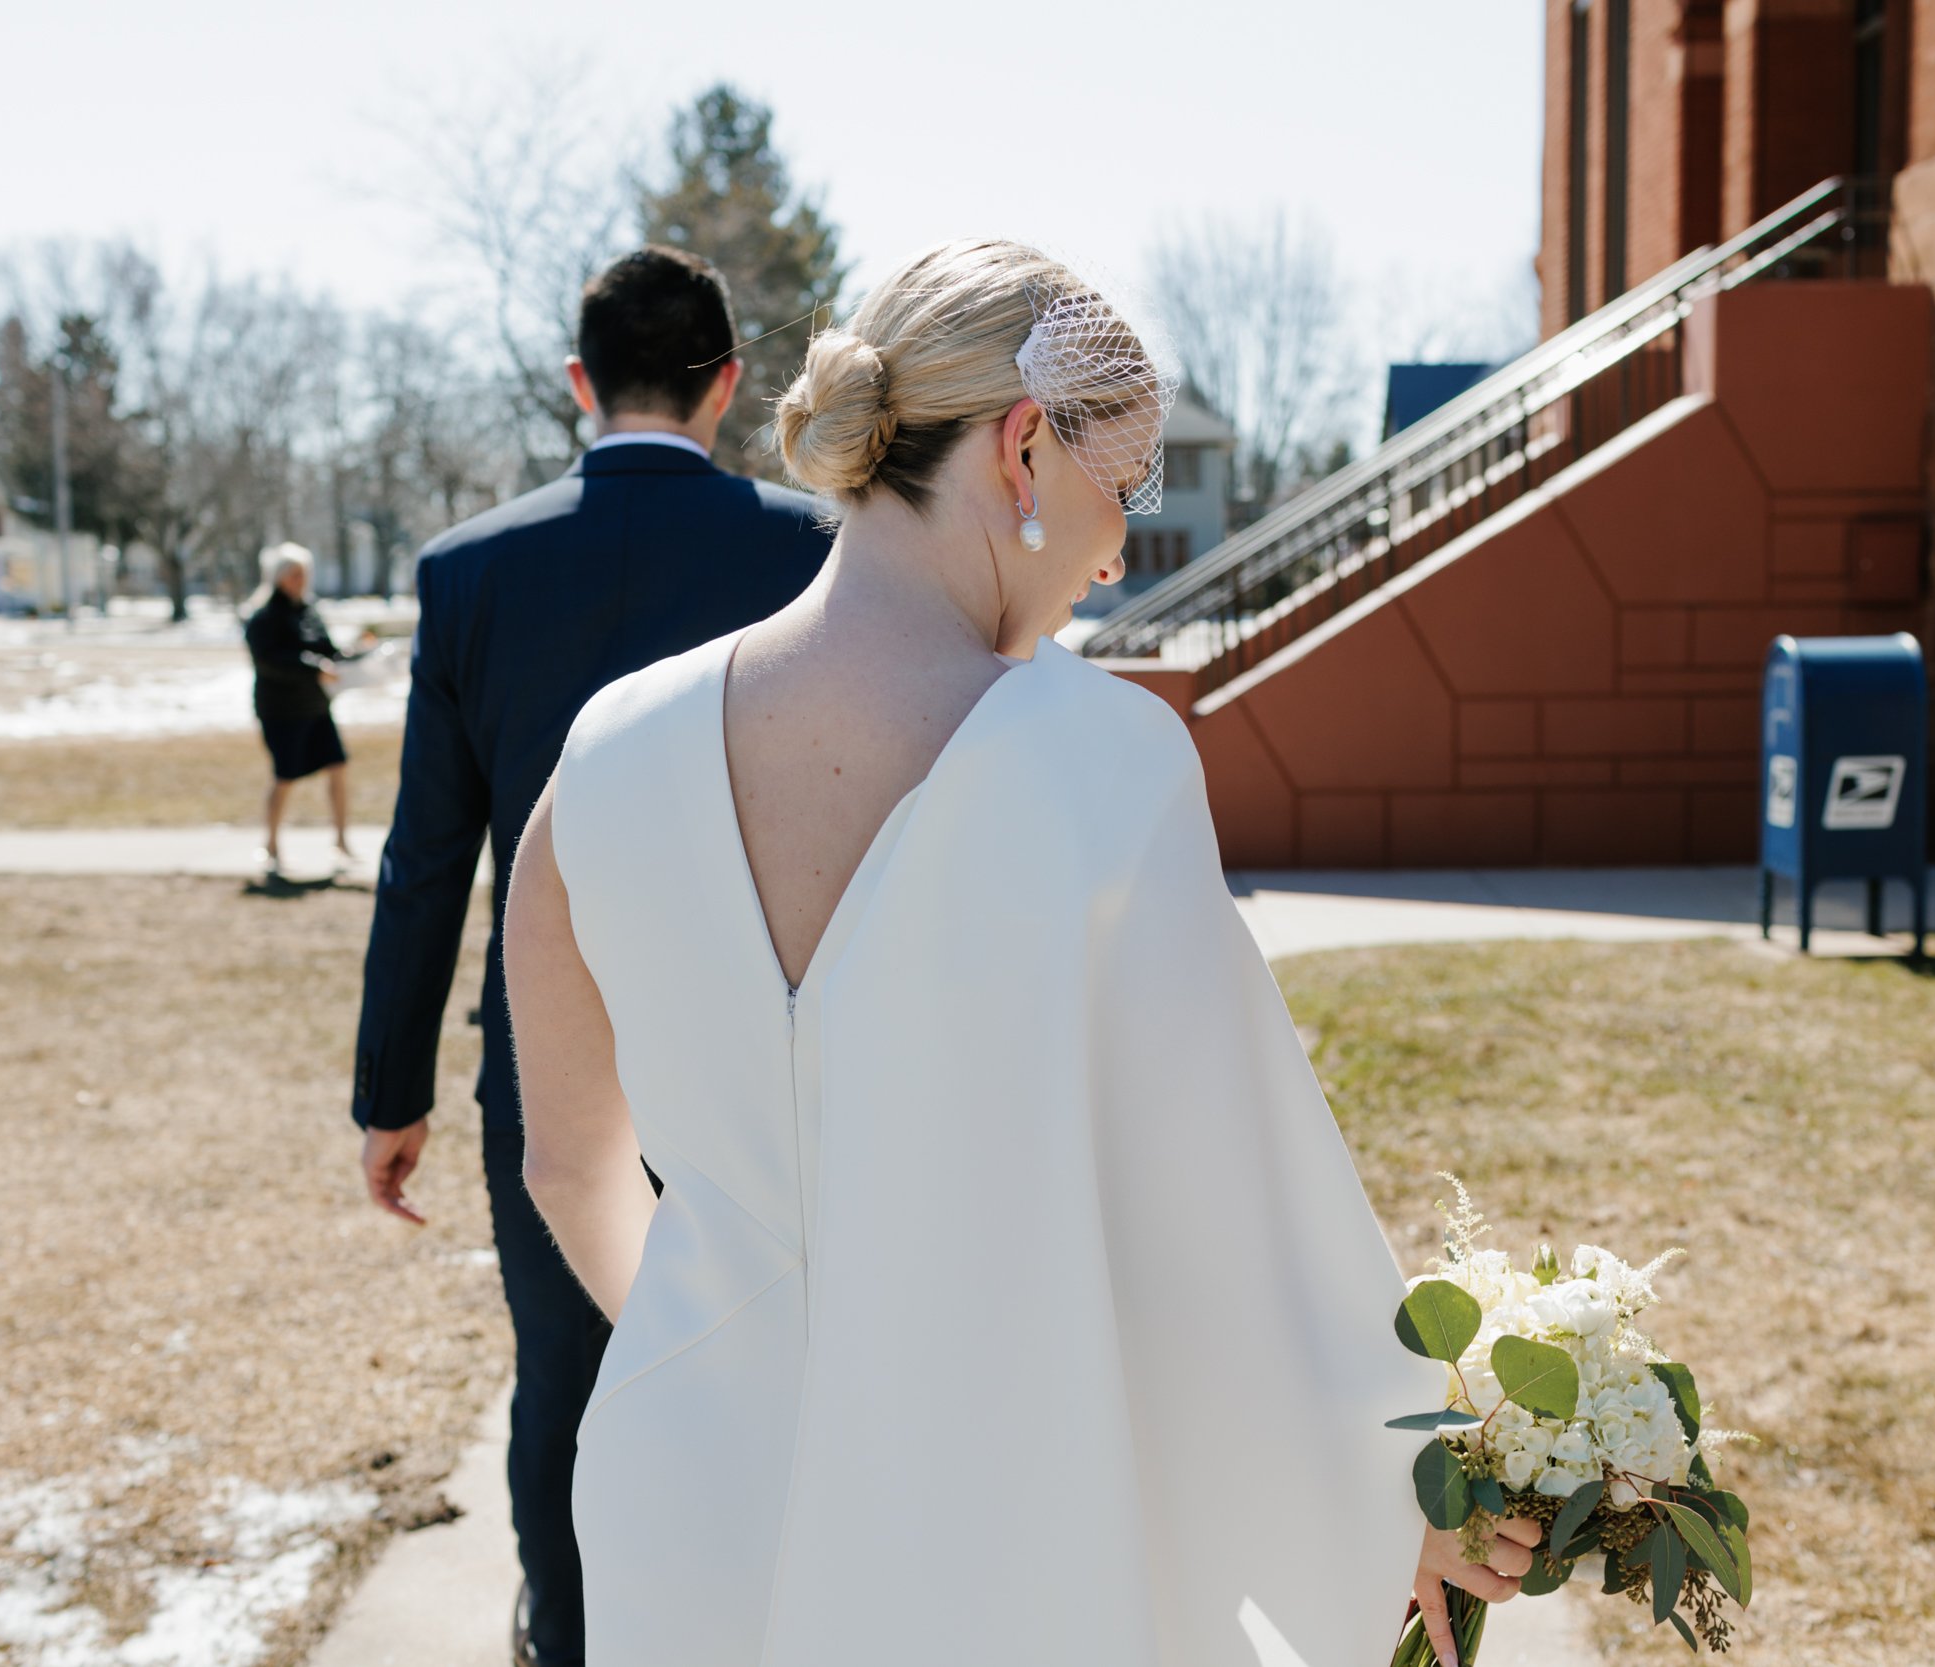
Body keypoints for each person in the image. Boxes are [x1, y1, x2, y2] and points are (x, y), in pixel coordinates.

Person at [503, 239, 1548, 1667]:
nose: (1115, 551)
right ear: (1019, 450)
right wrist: (1391, 1484)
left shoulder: (600, 758)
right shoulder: (1105, 765)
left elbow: (567, 1162)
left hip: (683, 1484)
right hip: (995, 1508)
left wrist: (728, 1334)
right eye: (1118, 491)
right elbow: (1226, 1230)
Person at [348, 247, 830, 1667]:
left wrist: (392, 1092)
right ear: (730, 383)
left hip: (549, 1071)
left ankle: (568, 1635)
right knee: (771, 1371)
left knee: (563, 1379)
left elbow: (427, 855)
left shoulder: (473, 572)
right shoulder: (813, 548)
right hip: (770, 1061)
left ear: (579, 382)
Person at [243, 542, 367, 873]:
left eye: (305, 574)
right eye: (296, 574)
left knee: (338, 766)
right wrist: (313, 668)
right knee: (284, 775)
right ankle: (270, 846)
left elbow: (328, 650)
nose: (302, 580)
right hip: (280, 710)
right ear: (280, 577)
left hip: (315, 706)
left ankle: (341, 842)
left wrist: (356, 652)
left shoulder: (308, 612)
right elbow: (270, 661)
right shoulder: (264, 616)